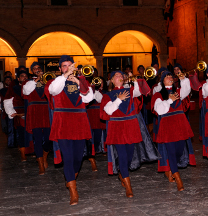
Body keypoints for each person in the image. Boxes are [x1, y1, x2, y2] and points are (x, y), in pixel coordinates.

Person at [100, 70, 158, 198]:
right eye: (117, 76)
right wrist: (119, 100)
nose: (120, 77)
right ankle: (128, 185)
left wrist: (134, 80)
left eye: (122, 75)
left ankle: (122, 173)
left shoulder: (130, 91)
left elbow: (139, 92)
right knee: (122, 155)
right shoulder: (107, 95)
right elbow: (108, 110)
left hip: (131, 126)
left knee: (130, 155)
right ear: (112, 80)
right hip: (118, 128)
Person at [46, 55, 93, 205]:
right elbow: (53, 90)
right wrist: (65, 76)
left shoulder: (81, 81)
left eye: (69, 65)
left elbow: (88, 98)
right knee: (67, 157)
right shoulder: (55, 82)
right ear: (60, 68)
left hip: (79, 122)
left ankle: (70, 178)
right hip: (63, 123)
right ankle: (73, 191)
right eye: (64, 66)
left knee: (78, 157)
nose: (67, 68)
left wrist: (79, 81)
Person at [151, 70, 194, 191]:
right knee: (171, 152)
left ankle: (170, 168)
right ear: (162, 81)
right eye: (166, 77)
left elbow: (187, 89)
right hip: (167, 125)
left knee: (179, 151)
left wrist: (183, 79)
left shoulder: (179, 91)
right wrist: (169, 100)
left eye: (170, 76)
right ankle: (178, 178)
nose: (169, 77)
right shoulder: (158, 95)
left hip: (180, 124)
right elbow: (159, 110)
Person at [22, 62, 51, 175]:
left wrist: (45, 81)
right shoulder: (28, 82)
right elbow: (26, 91)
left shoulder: (47, 80)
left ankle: (44, 156)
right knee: (37, 138)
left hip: (46, 110)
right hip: (34, 112)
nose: (37, 70)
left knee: (49, 137)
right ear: (32, 71)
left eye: (38, 68)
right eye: (34, 69)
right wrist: (36, 80)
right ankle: (40, 164)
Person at [3, 68, 28, 160]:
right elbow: (7, 100)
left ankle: (30, 151)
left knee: (30, 133)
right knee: (21, 134)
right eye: (22, 76)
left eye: (26, 76)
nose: (24, 78)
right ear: (18, 78)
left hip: (30, 113)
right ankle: (22, 154)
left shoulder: (31, 86)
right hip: (19, 114)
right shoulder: (14, 88)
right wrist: (11, 112)